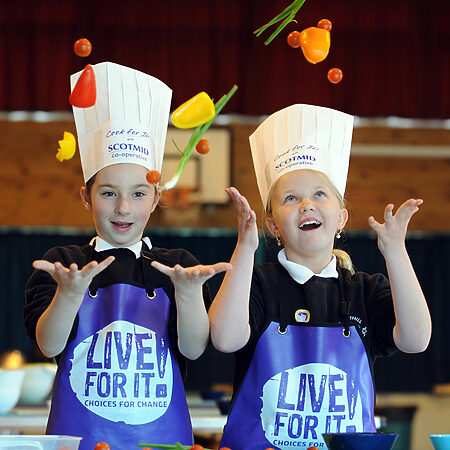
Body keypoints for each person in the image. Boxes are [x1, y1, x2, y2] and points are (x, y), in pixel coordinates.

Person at [24, 62, 230, 450]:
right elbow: (49, 345)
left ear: (155, 198)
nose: (123, 208)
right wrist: (69, 293)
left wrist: (187, 294)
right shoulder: (64, 261)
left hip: (160, 442)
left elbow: (192, 348)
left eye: (138, 194)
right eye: (107, 193)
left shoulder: (177, 265)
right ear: (86, 197)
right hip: (80, 441)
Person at [209, 104, 431, 450]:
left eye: (319, 194)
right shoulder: (256, 283)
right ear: (273, 226)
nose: (306, 205)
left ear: (340, 218)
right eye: (290, 198)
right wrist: (244, 247)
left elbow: (416, 339)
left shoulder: (366, 290)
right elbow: (225, 338)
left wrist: (396, 252)